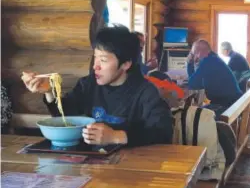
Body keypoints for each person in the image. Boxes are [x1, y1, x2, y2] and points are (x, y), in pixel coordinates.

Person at [22, 25, 174, 147]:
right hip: (93, 164)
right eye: (95, 58)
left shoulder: (145, 92)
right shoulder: (88, 84)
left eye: (103, 60)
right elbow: (66, 117)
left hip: (132, 169)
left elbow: (163, 131)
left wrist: (115, 136)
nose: (96, 66)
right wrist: (49, 91)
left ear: (126, 64)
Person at [187, 39, 243, 117]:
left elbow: (192, 84)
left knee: (192, 115)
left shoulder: (208, 61)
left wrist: (189, 63)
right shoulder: (213, 58)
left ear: (199, 52)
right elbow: (197, 84)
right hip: (232, 103)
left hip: (228, 107)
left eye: (193, 53)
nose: (194, 56)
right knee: (195, 112)